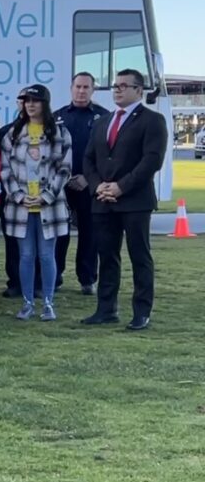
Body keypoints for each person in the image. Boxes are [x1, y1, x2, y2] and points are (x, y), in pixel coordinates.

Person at [82, 69, 168, 330]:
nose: (117, 89)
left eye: (123, 85)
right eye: (115, 86)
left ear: (138, 91)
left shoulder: (152, 120)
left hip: (134, 201)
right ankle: (106, 309)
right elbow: (89, 159)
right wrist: (99, 187)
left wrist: (121, 187)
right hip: (103, 200)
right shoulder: (102, 121)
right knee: (107, 256)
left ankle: (142, 311)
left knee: (139, 255)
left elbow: (151, 160)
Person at [1, 85, 72, 321]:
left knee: (46, 255)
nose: (30, 104)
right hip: (20, 207)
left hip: (49, 206)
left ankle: (48, 303)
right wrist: (19, 196)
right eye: (26, 100)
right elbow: (4, 170)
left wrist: (47, 195)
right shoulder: (12, 133)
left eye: (35, 100)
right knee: (26, 255)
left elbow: (65, 168)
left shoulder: (60, 132)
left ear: (45, 104)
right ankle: (27, 302)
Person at [54, 72, 109, 295]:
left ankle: (87, 279)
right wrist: (64, 178)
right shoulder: (57, 117)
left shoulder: (103, 117)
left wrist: (89, 179)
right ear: (71, 88)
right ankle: (54, 277)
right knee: (59, 233)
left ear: (93, 90)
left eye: (86, 87)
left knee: (89, 233)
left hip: (89, 184)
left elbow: (107, 154)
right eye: (78, 86)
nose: (81, 91)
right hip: (62, 185)